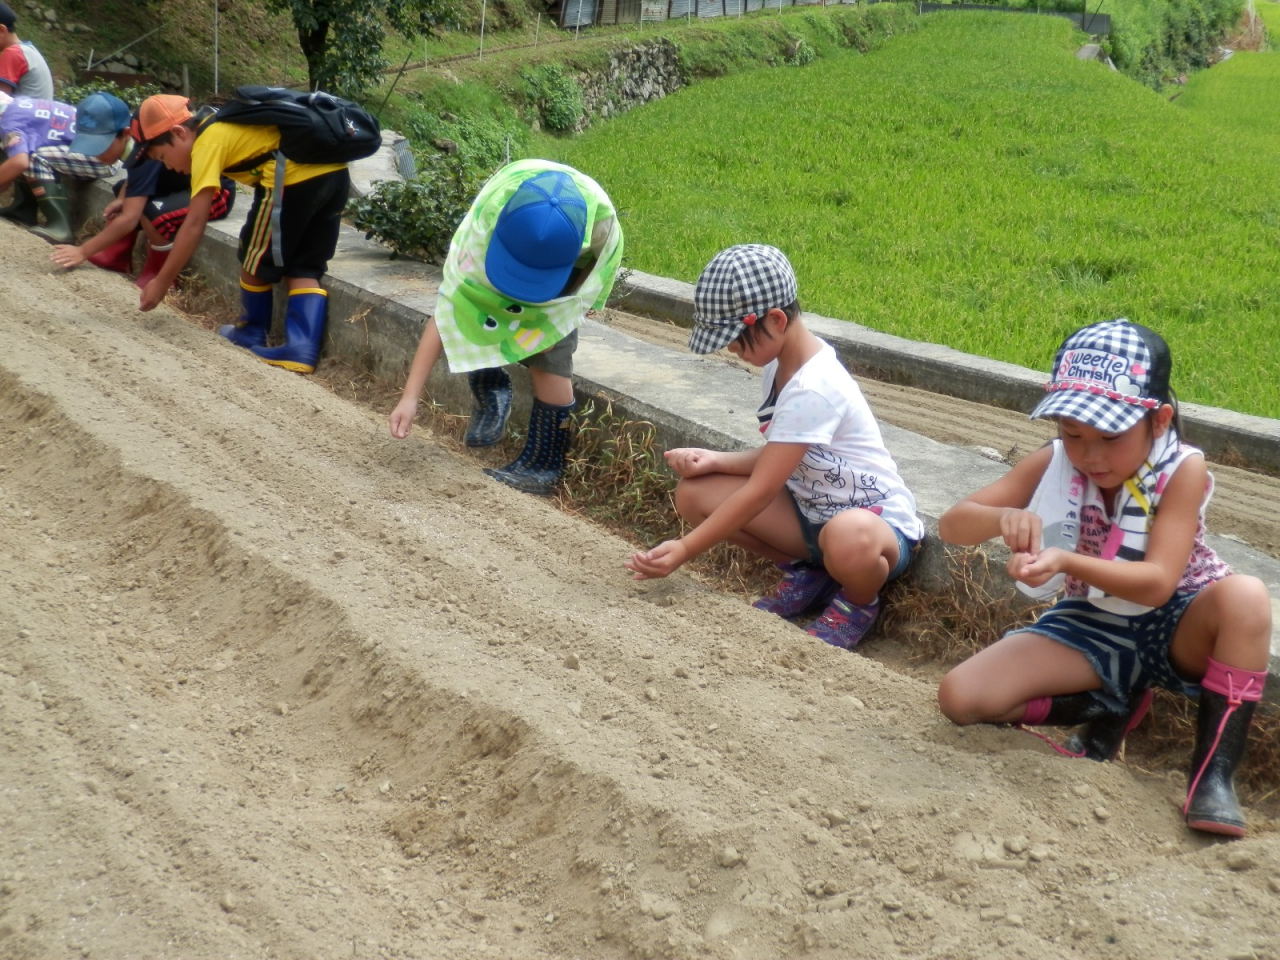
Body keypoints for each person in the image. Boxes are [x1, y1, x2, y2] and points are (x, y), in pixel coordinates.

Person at [936, 319, 1271, 837]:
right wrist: (1000, 520)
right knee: (961, 697)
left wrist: (1066, 560)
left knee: (1247, 597)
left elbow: (1159, 581)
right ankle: (1112, 703)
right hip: (1094, 620)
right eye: (1073, 433)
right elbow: (953, 525)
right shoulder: (1055, 462)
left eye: (1110, 437)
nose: (1090, 455)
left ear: (1159, 421)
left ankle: (1212, 776)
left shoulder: (1181, 470)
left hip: (1177, 619)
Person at [625, 244, 924, 650]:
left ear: (776, 320)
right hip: (810, 515)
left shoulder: (814, 388)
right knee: (696, 493)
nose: (730, 348)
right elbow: (786, 459)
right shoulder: (778, 366)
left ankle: (857, 602)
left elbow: (762, 489)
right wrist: (716, 461)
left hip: (875, 526)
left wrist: (684, 549)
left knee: (847, 538)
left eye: (735, 338)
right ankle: (811, 572)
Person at [388, 158, 624, 496]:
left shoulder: (602, 229)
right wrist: (409, 399)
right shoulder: (482, 229)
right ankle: (490, 385)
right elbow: (448, 312)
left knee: (552, 350)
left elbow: (593, 282)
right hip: (513, 240)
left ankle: (544, 465)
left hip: (571, 258)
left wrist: (560, 318)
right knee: (478, 309)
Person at [134, 94, 349, 374]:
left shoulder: (206, 143)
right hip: (336, 175)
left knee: (253, 255)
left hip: (292, 179)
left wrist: (163, 281)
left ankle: (251, 331)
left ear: (178, 132)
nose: (167, 166)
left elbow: (195, 222)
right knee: (305, 263)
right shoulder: (221, 119)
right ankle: (301, 349)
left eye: (162, 156)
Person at [50, 111, 235, 285]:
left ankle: (159, 272)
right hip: (186, 184)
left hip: (215, 192)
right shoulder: (144, 151)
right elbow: (134, 182)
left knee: (152, 213)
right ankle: (117, 254)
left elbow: (130, 219)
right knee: (123, 190)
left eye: (101, 147)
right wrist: (122, 197)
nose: (97, 155)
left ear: (126, 135)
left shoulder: (151, 153)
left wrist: (83, 251)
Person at [0, 90, 129, 244]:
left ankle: (59, 225)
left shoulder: (9, 123)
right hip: (96, 150)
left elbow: (19, 163)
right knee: (22, 149)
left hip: (102, 157)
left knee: (33, 156)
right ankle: (23, 210)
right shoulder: (21, 104)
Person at [0, 2, 53, 100]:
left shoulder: (12, 54)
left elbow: (1, 103)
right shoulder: (28, 50)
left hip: (24, 115)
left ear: (2, 31)